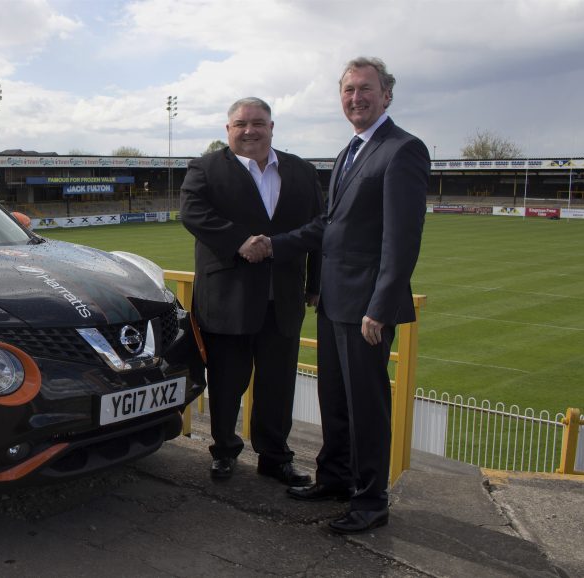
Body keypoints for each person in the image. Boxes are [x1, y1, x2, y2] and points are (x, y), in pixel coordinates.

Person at [260, 57, 429, 534]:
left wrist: (380, 306)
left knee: (366, 407)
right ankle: (334, 477)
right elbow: (327, 228)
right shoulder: (349, 152)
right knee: (335, 398)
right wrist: (273, 245)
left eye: (366, 89)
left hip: (367, 308)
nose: (356, 98)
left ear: (387, 95)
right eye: (349, 90)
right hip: (334, 301)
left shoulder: (403, 150)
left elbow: (401, 240)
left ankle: (371, 500)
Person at [181, 97, 324, 485]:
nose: (250, 131)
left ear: (272, 127)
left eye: (258, 123)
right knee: (227, 384)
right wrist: (240, 241)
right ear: (228, 130)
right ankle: (224, 451)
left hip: (284, 298)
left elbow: (320, 228)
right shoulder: (205, 168)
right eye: (241, 124)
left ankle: (275, 457)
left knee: (278, 386)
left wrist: (316, 283)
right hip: (228, 299)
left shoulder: (301, 171)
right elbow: (193, 214)